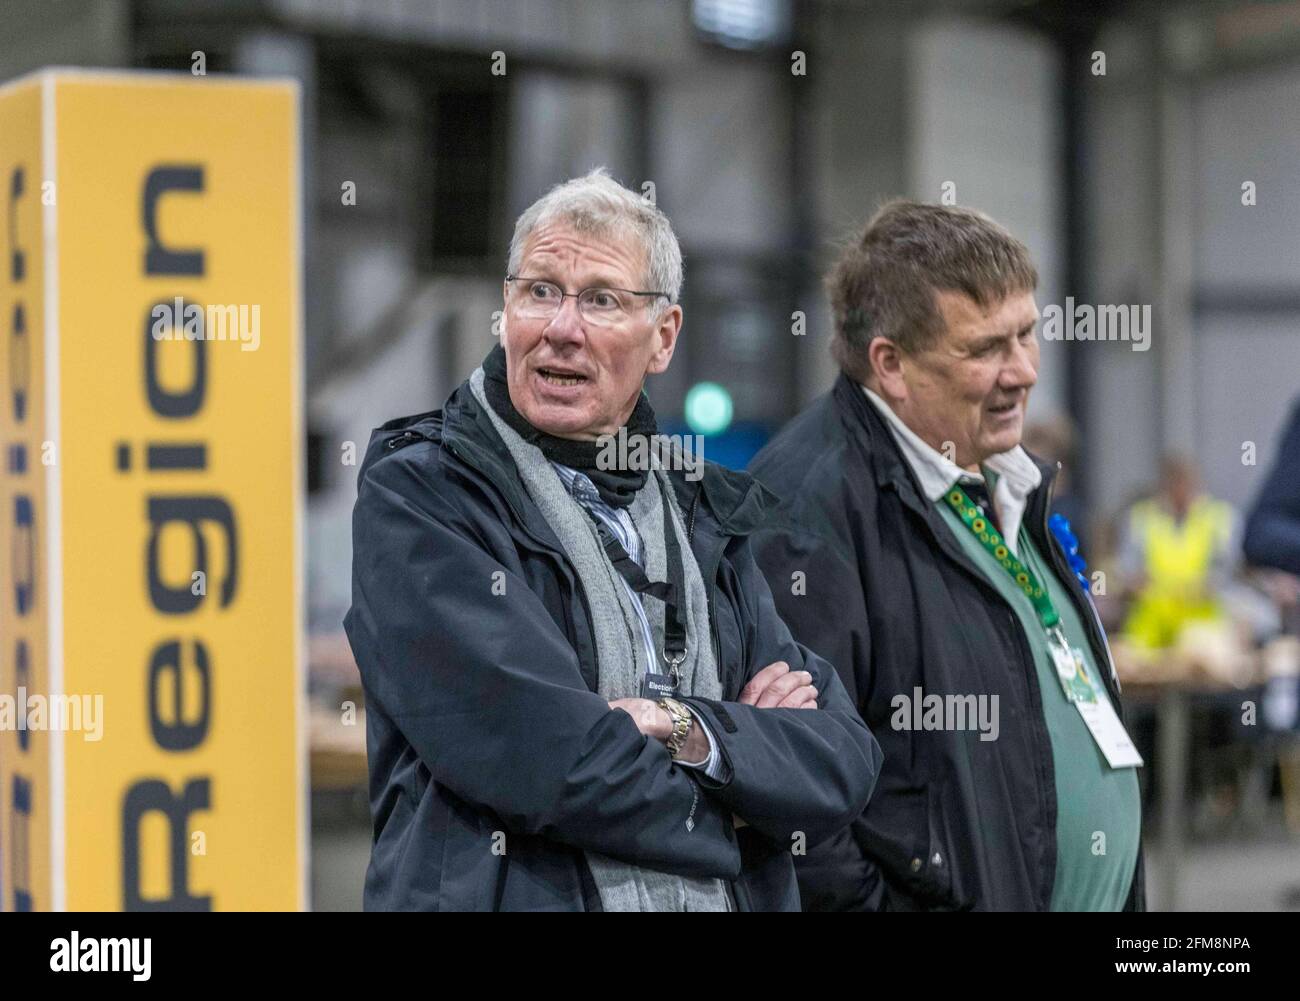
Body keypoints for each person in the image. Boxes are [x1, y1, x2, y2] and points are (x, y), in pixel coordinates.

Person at [343, 169, 882, 911]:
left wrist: (682, 724)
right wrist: (748, 806)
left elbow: (843, 755)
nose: (561, 326)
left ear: (663, 338)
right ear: (505, 310)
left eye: (600, 299)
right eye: (538, 291)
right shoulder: (425, 493)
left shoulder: (700, 515)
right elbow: (549, 759)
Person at [748, 200, 1145, 911]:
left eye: (1027, 334)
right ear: (891, 364)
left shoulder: (1002, 475)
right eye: (987, 348)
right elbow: (795, 805)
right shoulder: (807, 512)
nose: (1023, 371)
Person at [1118, 455, 1239, 651]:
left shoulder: (1218, 518)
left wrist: (1203, 587)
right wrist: (1136, 583)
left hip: (1202, 634)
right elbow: (1126, 572)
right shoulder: (1140, 518)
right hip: (1148, 634)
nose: (1179, 490)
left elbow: (1226, 573)